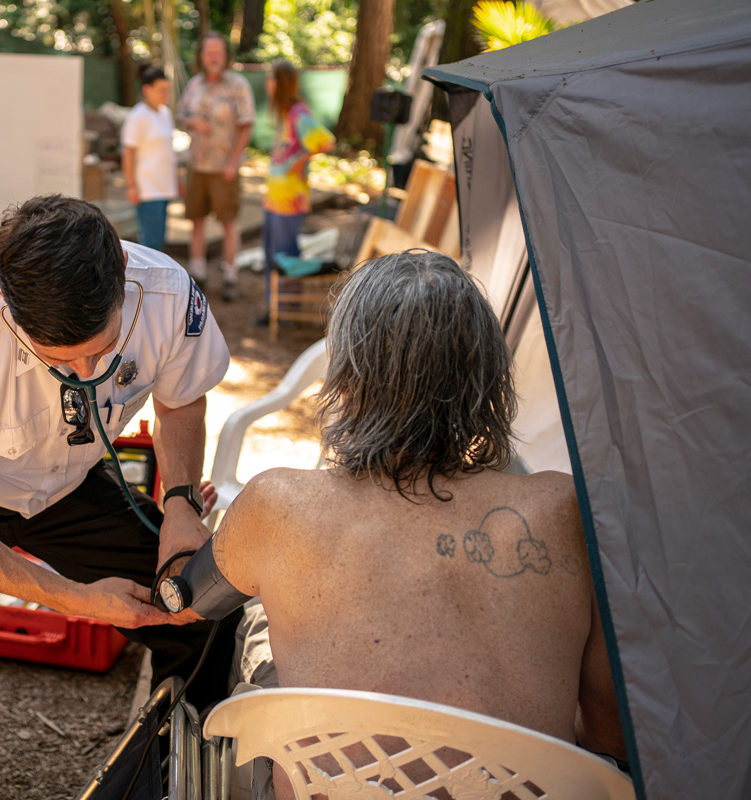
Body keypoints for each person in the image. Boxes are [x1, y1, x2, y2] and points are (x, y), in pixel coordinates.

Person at [0, 195, 240, 799]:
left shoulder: (167, 294)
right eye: (63, 359)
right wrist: (76, 599)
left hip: (66, 480)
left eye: (102, 348)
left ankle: (167, 773)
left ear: (119, 271)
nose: (88, 371)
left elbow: (183, 397)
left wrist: (182, 505)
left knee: (205, 608)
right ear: (10, 309)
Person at [205, 250, 626, 796]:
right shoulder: (566, 508)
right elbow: (610, 733)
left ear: (347, 375)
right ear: (490, 376)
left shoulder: (277, 502)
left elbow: (185, 600)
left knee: (256, 626)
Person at [179, 31, 255, 303]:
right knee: (196, 220)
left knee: (228, 223)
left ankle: (231, 276)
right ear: (201, 55)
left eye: (218, 53)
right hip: (197, 166)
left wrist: (234, 162)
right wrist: (193, 122)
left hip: (225, 168)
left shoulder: (238, 85)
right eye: (208, 53)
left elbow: (246, 126)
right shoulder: (194, 85)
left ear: (225, 56)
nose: (213, 57)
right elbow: (182, 113)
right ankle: (197, 273)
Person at [257, 60, 335, 326]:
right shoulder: (284, 113)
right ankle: (275, 309)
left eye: (271, 78)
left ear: (282, 83)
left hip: (289, 201)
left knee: (285, 257)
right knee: (271, 256)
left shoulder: (297, 113)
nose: (267, 83)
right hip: (275, 199)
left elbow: (326, 140)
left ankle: (288, 312)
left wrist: (301, 161)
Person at [121, 65, 177, 252]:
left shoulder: (165, 113)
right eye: (161, 90)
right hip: (148, 188)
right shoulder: (138, 116)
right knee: (150, 243)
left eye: (167, 90)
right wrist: (131, 185)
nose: (165, 94)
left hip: (165, 187)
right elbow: (128, 151)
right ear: (147, 89)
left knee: (159, 238)